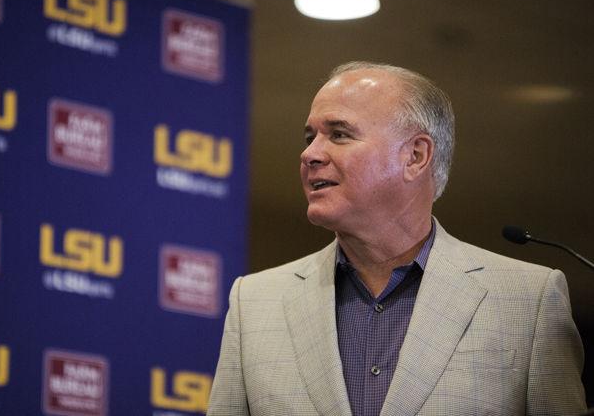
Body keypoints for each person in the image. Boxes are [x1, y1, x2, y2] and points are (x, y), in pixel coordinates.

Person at [207, 62, 586, 415]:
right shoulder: (253, 304)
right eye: (310, 137)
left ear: (415, 156)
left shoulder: (528, 300)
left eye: (338, 134)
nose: (310, 154)